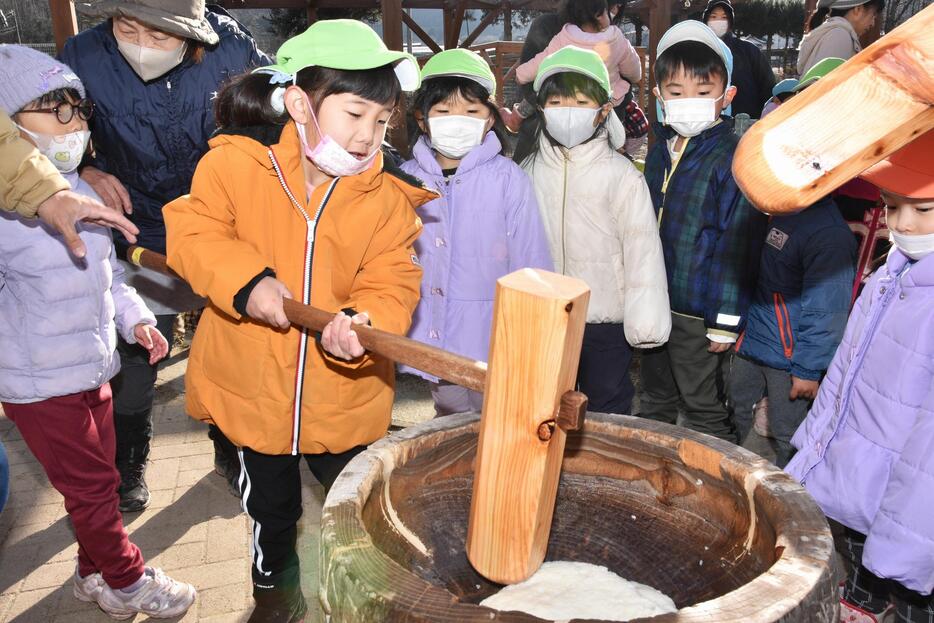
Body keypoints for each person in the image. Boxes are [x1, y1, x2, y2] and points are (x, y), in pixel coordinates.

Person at [163, 21, 437, 622]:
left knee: (358, 507)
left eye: (382, 121)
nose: (369, 137)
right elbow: (196, 234)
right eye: (354, 114)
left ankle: (366, 594)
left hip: (344, 395)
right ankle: (275, 596)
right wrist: (247, 282)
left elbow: (393, 279)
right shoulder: (235, 166)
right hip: (252, 391)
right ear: (299, 104)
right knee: (270, 509)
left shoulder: (388, 200)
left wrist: (365, 321)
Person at [0, 45, 195, 620]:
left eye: (79, 111)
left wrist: (134, 320)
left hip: (93, 366)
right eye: (52, 110)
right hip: (37, 384)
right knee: (90, 491)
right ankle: (129, 580)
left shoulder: (81, 194)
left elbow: (109, 276)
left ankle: (93, 573)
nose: (74, 125)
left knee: (103, 481)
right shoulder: (9, 211)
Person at [60, 0, 272, 511]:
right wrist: (84, 169)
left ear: (194, 34)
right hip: (136, 228)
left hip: (222, 226)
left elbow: (277, 119)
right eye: (126, 27)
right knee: (137, 355)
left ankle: (231, 450)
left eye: (160, 36)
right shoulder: (82, 55)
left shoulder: (234, 49)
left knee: (227, 349)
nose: (140, 44)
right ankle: (128, 462)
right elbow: (48, 127)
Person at [785, 128, 934, 623]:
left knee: (913, 590)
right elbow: (847, 369)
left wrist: (907, 541)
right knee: (861, 551)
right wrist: (815, 447)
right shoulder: (892, 271)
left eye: (924, 209)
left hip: (912, 497)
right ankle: (865, 596)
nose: (904, 224)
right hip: (865, 469)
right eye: (893, 207)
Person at [517, 46, 670, 414]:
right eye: (556, 101)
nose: (568, 111)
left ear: (603, 111)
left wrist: (645, 322)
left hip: (606, 317)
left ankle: (608, 469)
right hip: (546, 316)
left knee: (607, 403)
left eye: (581, 102)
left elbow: (642, 249)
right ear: (541, 108)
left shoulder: (621, 176)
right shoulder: (526, 171)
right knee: (547, 405)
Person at [400, 48, 553, 415]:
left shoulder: (508, 179)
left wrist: (535, 329)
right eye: (443, 111)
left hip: (492, 333)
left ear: (489, 120)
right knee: (449, 408)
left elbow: (531, 258)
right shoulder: (405, 179)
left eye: (471, 111)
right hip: (433, 327)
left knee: (496, 411)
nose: (458, 120)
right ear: (422, 119)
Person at [638, 21, 768, 441]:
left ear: (726, 97)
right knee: (655, 395)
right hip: (655, 300)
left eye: (702, 91)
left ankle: (722, 482)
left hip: (698, 311)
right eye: (676, 93)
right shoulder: (660, 151)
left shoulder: (731, 158)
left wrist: (725, 321)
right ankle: (652, 477)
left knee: (702, 404)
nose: (687, 102)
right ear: (659, 97)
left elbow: (739, 245)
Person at [507, 0, 646, 156]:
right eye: (614, 6)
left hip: (549, 128)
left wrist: (521, 75)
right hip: (604, 116)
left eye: (619, 6)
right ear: (600, 13)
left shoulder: (563, 36)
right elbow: (633, 73)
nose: (616, 10)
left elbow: (537, 64)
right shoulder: (616, 38)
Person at [1, 109, 139, 257]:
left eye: (80, 109)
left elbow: (106, 262)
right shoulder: (6, 217)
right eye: (58, 111)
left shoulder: (90, 191)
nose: (76, 125)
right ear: (10, 124)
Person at [702, 0, 776, 119]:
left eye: (724, 17)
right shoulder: (698, 52)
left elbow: (768, 87)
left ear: (730, 22)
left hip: (748, 122)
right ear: (706, 21)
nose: (718, 21)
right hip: (707, 126)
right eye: (714, 17)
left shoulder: (749, 51)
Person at [797, 0, 884, 75]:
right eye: (873, 15)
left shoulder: (834, 33)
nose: (872, 23)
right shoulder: (840, 36)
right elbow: (829, 89)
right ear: (858, 9)